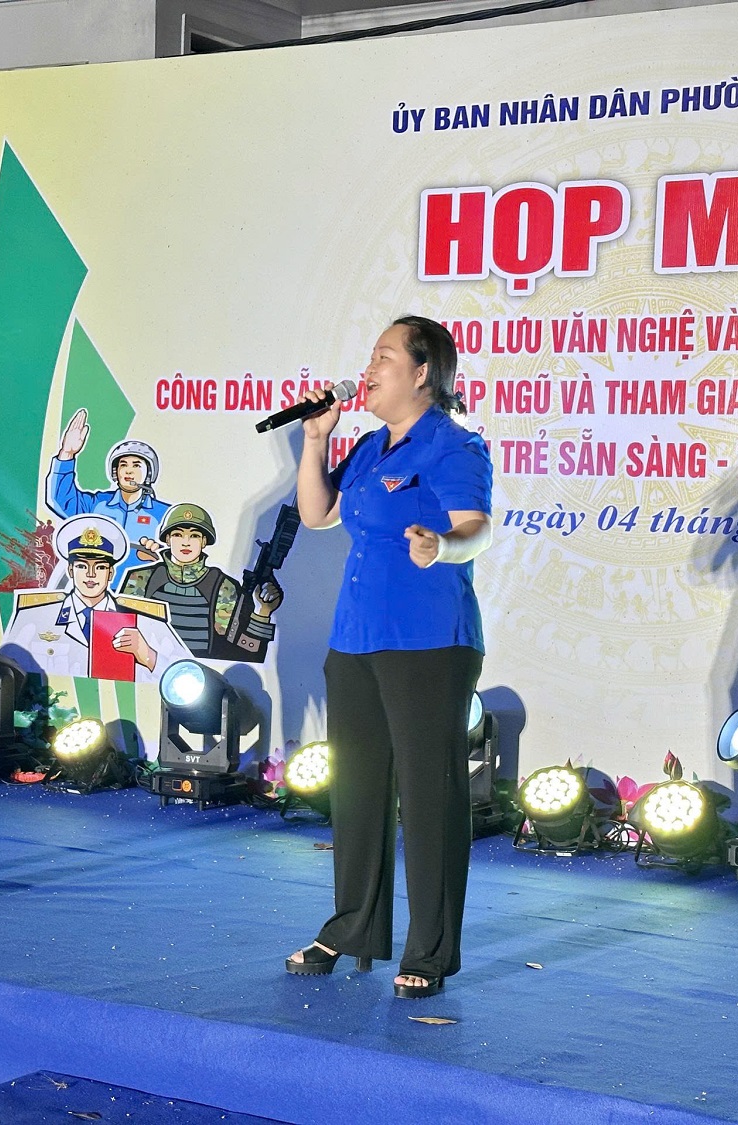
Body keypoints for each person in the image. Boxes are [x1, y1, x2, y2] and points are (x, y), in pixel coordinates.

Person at [283, 315, 492, 999]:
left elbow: (476, 529)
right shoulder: (373, 447)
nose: (367, 371)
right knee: (358, 791)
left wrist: (443, 547)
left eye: (383, 358)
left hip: (428, 641)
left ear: (423, 372)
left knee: (430, 798)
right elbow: (317, 513)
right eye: (369, 358)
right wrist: (317, 440)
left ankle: (429, 951)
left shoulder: (452, 445)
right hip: (356, 639)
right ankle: (352, 928)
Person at [0, 514, 187, 682]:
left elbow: (187, 677)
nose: (91, 574)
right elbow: (5, 675)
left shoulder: (145, 622)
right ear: (70, 571)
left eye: (100, 567)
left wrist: (148, 656)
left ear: (111, 573)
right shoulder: (34, 617)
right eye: (82, 566)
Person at [118, 501, 283, 660]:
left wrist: (263, 612)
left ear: (204, 541)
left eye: (194, 536)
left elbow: (248, 650)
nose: (186, 542)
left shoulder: (223, 587)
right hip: (145, 669)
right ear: (167, 539)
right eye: (178, 535)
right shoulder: (141, 580)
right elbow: (119, 631)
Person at [45, 411, 168, 584]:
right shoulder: (97, 504)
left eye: (136, 465)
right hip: (94, 589)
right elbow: (60, 500)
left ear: (149, 473)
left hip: (139, 591)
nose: (129, 471)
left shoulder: (164, 515)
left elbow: (180, 553)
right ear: (115, 472)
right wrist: (67, 454)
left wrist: (159, 553)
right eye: (123, 465)